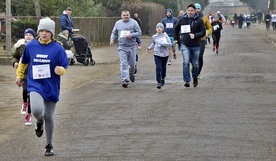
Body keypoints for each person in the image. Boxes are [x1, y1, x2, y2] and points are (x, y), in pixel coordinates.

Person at [15, 17, 68, 156]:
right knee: (37, 110)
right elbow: (24, 62)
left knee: (49, 115)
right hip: (35, 84)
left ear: (52, 33)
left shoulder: (58, 48)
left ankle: (49, 144)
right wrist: (19, 76)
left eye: (47, 31)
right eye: (42, 31)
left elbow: (64, 65)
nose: (44, 33)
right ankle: (39, 121)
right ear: (38, 32)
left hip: (51, 85)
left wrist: (60, 70)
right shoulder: (31, 46)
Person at [174, 3, 206, 88]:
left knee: (195, 64)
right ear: (186, 11)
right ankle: (187, 80)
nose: (190, 12)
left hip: (196, 45)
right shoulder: (182, 20)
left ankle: (195, 77)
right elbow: (176, 29)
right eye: (189, 10)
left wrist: (195, 35)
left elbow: (203, 32)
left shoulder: (199, 20)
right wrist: (176, 39)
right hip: (185, 44)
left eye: (192, 10)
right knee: (186, 62)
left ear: (195, 11)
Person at [110, 10, 142, 88]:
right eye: (124, 15)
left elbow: (139, 32)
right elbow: (114, 32)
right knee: (123, 64)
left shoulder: (134, 23)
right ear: (121, 16)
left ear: (129, 15)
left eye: (127, 15)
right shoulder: (118, 23)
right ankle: (125, 80)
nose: (125, 16)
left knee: (132, 64)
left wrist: (131, 35)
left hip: (132, 46)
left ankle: (131, 73)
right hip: (122, 46)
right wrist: (112, 39)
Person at [11, 28, 36, 125]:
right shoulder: (20, 46)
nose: (28, 36)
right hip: (24, 74)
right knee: (25, 90)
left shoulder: (37, 46)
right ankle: (24, 103)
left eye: (30, 35)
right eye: (26, 35)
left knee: (32, 95)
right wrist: (15, 62)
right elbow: (14, 56)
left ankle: (28, 115)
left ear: (33, 37)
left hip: (34, 74)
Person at [146, 23, 171, 89]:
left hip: (165, 54)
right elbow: (153, 43)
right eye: (158, 28)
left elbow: (169, 44)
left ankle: (163, 78)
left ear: (163, 29)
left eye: (160, 27)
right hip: (157, 54)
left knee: (163, 68)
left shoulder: (165, 35)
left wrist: (163, 44)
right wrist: (149, 48)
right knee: (158, 67)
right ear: (156, 29)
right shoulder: (154, 36)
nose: (159, 29)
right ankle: (158, 81)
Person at [194, 3, 212, 80]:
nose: (197, 10)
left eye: (198, 9)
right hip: (193, 40)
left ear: (200, 9)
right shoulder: (190, 18)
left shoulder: (204, 18)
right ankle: (194, 67)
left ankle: (198, 73)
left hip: (201, 40)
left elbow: (210, 27)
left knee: (200, 56)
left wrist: (207, 33)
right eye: (196, 9)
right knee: (193, 57)